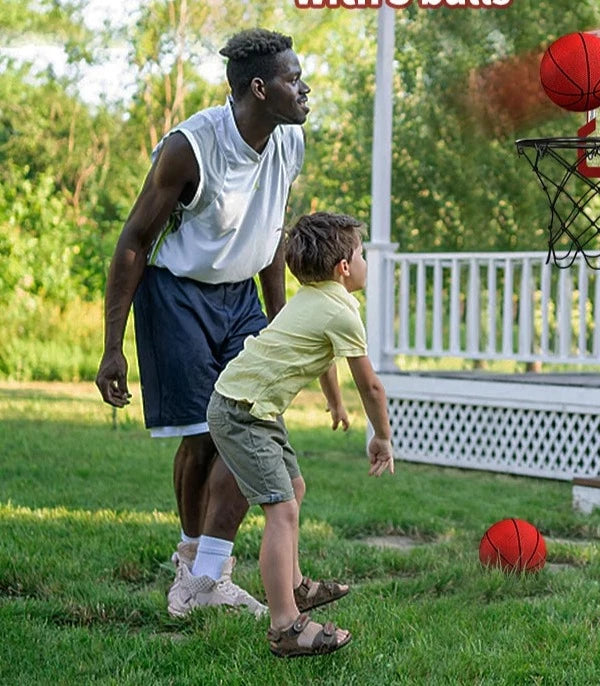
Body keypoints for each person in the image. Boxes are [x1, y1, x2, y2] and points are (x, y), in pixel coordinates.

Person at [95, 28, 338, 618]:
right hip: (177, 296)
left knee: (244, 424)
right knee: (203, 437)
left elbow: (273, 238)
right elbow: (134, 239)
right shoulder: (191, 147)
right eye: (292, 78)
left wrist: (280, 324)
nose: (304, 88)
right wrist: (112, 347)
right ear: (259, 87)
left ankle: (210, 578)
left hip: (240, 300)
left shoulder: (289, 142)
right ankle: (191, 569)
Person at [203, 211, 394, 657]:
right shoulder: (341, 310)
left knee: (294, 488)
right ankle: (286, 626)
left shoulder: (313, 299)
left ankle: (294, 586)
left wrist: (335, 403)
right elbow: (372, 385)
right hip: (241, 412)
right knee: (282, 510)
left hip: (252, 407)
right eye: (361, 255)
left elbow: (324, 357)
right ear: (343, 267)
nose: (365, 263)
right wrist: (381, 437)